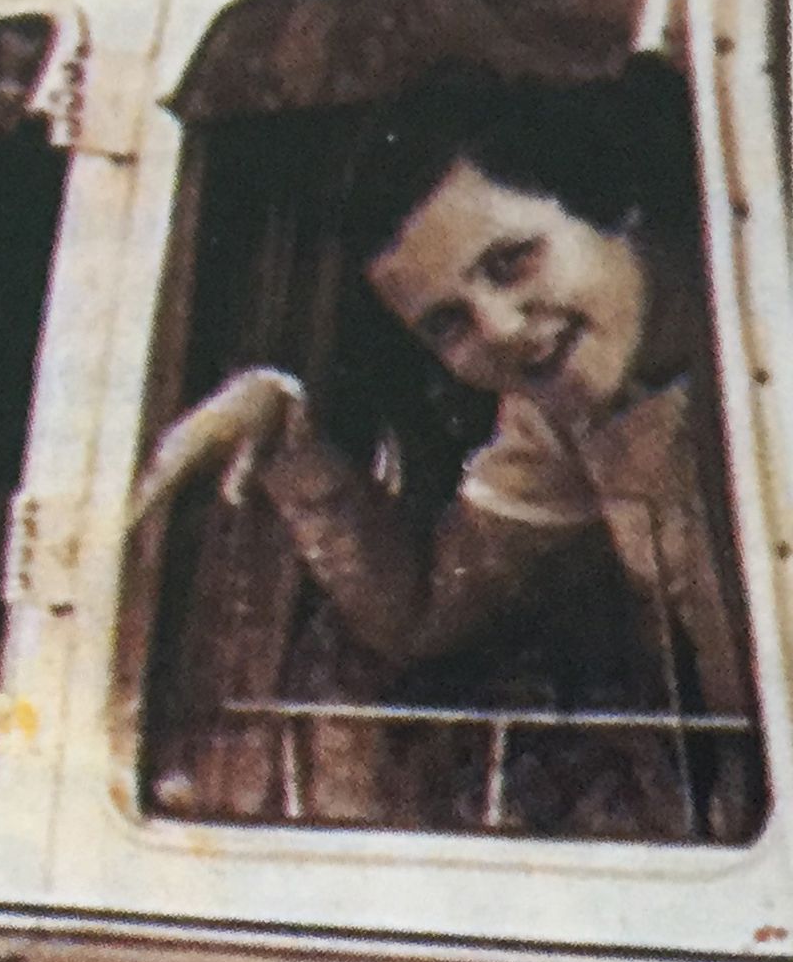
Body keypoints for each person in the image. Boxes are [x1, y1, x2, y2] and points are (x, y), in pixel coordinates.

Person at [134, 74, 755, 837]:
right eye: (446, 325)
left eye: (511, 261)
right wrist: (291, 440)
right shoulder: (553, 419)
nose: (497, 327)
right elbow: (424, 608)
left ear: (609, 205)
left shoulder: (765, 289)